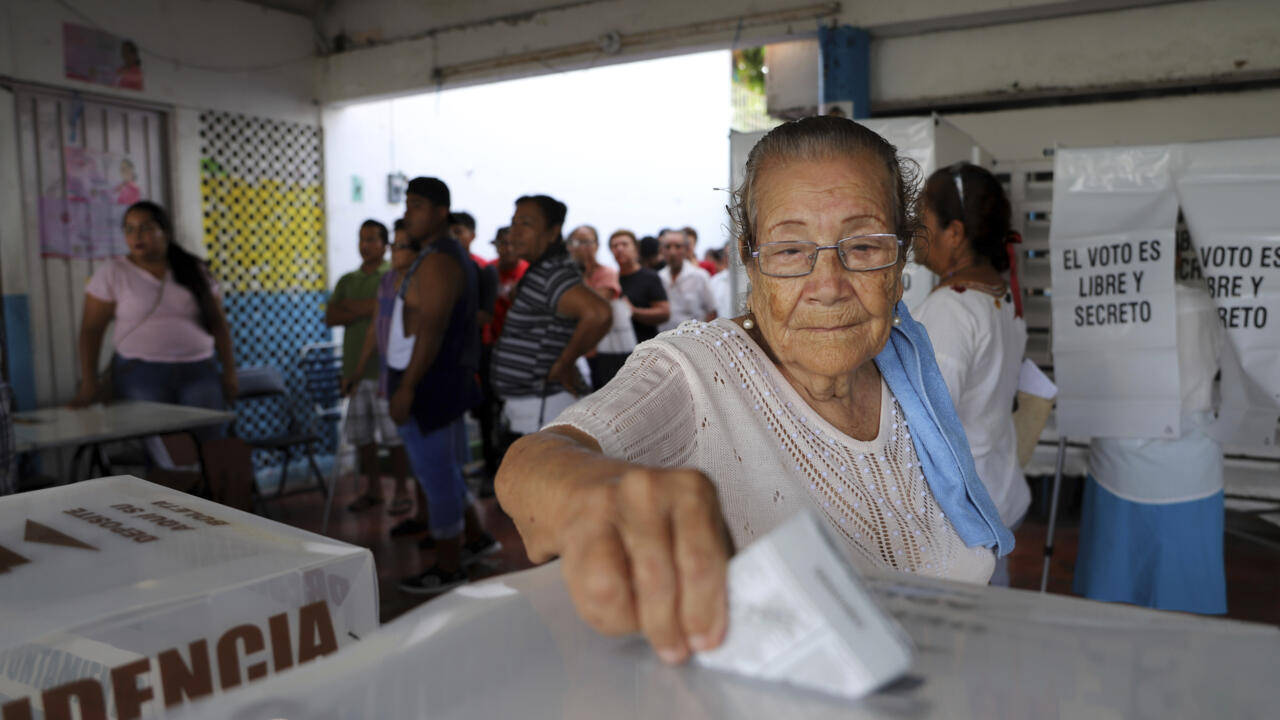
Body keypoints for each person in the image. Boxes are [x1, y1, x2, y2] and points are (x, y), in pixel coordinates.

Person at [496, 116, 1013, 665]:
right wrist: (595, 495)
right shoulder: (698, 370)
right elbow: (532, 463)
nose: (829, 286)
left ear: (902, 253)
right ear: (749, 257)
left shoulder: (907, 364)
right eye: (791, 250)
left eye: (862, 246)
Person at [1073, 268, 1228, 614]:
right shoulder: (1206, 304)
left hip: (1118, 466)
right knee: (1185, 616)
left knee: (1113, 610)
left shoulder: (1102, 305)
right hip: (1192, 467)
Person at [911, 163, 1030, 586]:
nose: (912, 227)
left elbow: (926, 426)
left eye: (922, 217)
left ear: (954, 233)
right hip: (996, 495)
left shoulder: (952, 309)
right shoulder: (1000, 296)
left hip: (961, 519)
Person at [383, 177, 494, 593]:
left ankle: (448, 567)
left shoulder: (440, 261)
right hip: (433, 379)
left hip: (429, 383)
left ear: (440, 211)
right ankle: (475, 538)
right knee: (443, 470)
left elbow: (430, 329)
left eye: (416, 205)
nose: (407, 211)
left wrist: (407, 387)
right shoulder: (436, 256)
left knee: (435, 476)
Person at [72, 201, 237, 455]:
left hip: (199, 370)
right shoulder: (113, 273)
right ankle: (169, 494)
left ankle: (202, 495)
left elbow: (218, 323)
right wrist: (89, 382)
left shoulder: (193, 269)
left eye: (146, 228)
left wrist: (229, 372)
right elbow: (91, 330)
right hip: (141, 374)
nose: (136, 236)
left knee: (208, 447)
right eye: (129, 229)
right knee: (164, 453)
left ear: (165, 232)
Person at [490, 195, 611, 440]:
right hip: (533, 405)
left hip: (543, 406)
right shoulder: (543, 269)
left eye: (526, 223)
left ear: (553, 231)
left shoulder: (551, 272)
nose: (515, 232)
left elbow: (599, 313)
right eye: (513, 223)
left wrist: (564, 362)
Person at [329, 219, 414, 516]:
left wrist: (353, 308)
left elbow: (370, 313)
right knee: (362, 435)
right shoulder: (347, 280)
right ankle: (373, 489)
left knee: (393, 436)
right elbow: (330, 316)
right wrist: (363, 307)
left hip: (383, 371)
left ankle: (402, 489)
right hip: (355, 367)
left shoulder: (391, 276)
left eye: (372, 240)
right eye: (361, 239)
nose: (365, 245)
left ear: (384, 243)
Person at [569, 225, 628, 390]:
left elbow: (593, 309)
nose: (583, 247)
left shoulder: (607, 273)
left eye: (588, 242)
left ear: (597, 245)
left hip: (603, 351)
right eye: (577, 242)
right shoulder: (566, 274)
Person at [609, 229, 669, 345]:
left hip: (645, 348)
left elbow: (664, 313)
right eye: (614, 246)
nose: (619, 249)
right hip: (617, 347)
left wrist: (633, 311)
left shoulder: (650, 277)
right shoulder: (611, 279)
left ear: (636, 248)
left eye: (624, 244)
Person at [656, 228, 716, 331]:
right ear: (661, 250)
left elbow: (712, 311)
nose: (672, 252)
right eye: (668, 247)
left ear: (687, 249)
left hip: (694, 341)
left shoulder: (700, 276)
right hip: (664, 341)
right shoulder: (659, 277)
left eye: (678, 246)